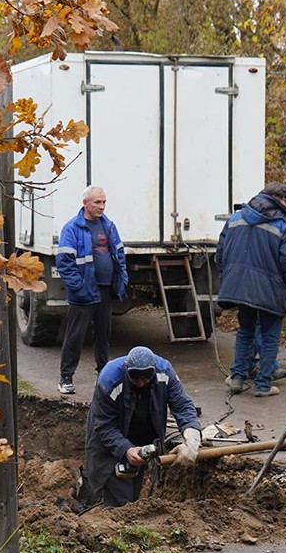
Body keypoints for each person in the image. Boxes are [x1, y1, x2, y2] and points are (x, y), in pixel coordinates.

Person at [216, 182, 286, 397]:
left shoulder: (235, 218)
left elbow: (220, 253)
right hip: (271, 289)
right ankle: (263, 385)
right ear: (281, 200)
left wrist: (228, 278)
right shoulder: (283, 224)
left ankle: (238, 378)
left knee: (245, 330)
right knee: (269, 336)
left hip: (239, 286)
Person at [83, 346, 202, 507]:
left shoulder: (165, 372)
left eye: (147, 377)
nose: (141, 383)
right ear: (126, 368)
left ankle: (128, 516)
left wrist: (192, 436)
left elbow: (182, 405)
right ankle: (112, 517)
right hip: (111, 440)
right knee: (120, 496)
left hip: (141, 436)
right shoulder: (109, 380)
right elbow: (104, 426)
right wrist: (126, 449)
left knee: (133, 492)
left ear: (154, 369)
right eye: (135, 377)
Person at [55, 185, 128, 395]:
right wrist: (78, 287)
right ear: (85, 203)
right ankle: (66, 378)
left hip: (105, 290)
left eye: (104, 202)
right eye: (97, 202)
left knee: (103, 335)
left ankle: (103, 376)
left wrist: (121, 279)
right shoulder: (73, 228)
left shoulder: (109, 226)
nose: (102, 206)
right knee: (75, 336)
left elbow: (119, 254)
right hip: (84, 293)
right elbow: (64, 262)